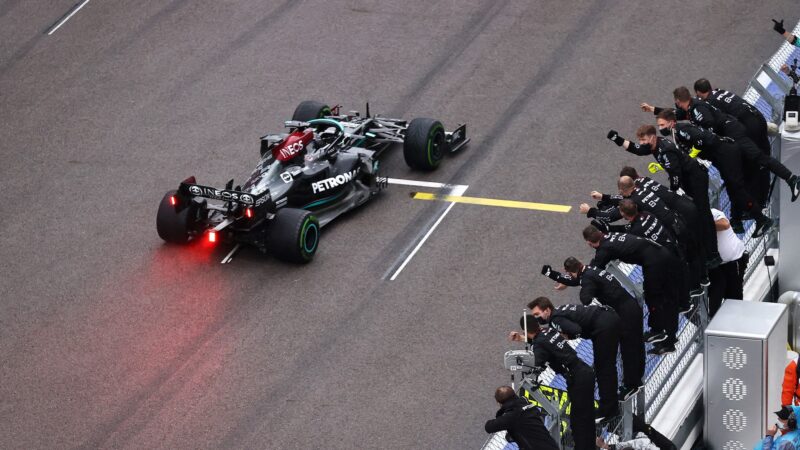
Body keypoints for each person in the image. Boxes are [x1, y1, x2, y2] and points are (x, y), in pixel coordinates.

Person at [645, 89, 800, 203]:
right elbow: (672, 114)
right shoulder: (692, 107)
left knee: (759, 158)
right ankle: (751, 207)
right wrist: (653, 109)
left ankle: (792, 179)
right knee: (745, 169)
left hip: (734, 133)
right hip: (732, 134)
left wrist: (713, 141)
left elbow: (709, 126)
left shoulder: (697, 109)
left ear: (678, 101)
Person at [607, 125, 720, 267]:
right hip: (687, 187)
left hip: (693, 182)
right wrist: (618, 139)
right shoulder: (654, 146)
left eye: (643, 139)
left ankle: (713, 256)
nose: (641, 143)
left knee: (703, 220)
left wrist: (674, 190)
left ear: (652, 137)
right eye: (640, 140)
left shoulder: (665, 150)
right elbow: (638, 149)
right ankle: (708, 257)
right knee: (697, 228)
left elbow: (675, 175)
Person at [656, 109, 775, 237]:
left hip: (726, 154)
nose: (660, 128)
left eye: (662, 125)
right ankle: (737, 221)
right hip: (721, 156)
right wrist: (662, 165)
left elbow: (700, 138)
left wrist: (695, 151)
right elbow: (680, 156)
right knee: (732, 188)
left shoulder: (681, 129)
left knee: (737, 189)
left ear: (671, 122)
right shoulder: (677, 133)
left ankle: (761, 219)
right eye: (659, 126)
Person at [542, 257, 645, 398]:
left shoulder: (587, 279)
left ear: (571, 271)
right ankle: (637, 380)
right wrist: (551, 274)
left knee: (629, 350)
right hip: (629, 307)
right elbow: (575, 280)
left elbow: (586, 299)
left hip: (624, 314)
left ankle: (631, 385)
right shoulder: (590, 270)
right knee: (636, 346)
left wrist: (583, 286)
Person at [582, 225, 679, 355]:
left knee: (655, 299)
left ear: (589, 242)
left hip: (656, 263)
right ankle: (667, 336)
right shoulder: (610, 235)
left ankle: (660, 332)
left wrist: (578, 274)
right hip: (662, 255)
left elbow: (594, 269)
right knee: (664, 299)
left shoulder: (604, 249)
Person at [509, 316, 596, 450]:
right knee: (584, 417)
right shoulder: (548, 330)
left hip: (577, 380)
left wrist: (522, 361)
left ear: (525, 330)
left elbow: (535, 363)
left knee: (579, 422)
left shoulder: (539, 345)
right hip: (584, 372)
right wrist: (522, 338)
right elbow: (544, 343)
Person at [527, 296, 621, 420]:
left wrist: (568, 336)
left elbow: (576, 330)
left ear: (547, 310)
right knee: (604, 367)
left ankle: (609, 409)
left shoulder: (555, 319)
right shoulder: (558, 312)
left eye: (537, 314)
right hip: (606, 318)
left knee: (604, 369)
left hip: (603, 326)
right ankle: (610, 406)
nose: (536, 318)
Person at [694, 78, 773, 206]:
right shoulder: (720, 92)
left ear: (698, 92)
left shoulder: (710, 102)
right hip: (758, 118)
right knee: (764, 159)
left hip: (750, 127)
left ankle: (759, 202)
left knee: (752, 164)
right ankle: (764, 197)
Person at [484, 386, 559, 450]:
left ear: (499, 403)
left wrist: (502, 413)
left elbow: (489, 427)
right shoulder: (529, 406)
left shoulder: (511, 416)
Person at [707, 208, 748, 316]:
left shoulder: (712, 212)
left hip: (733, 261)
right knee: (715, 298)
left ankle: (735, 326)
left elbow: (725, 224)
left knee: (733, 299)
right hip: (714, 266)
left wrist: (704, 225)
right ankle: (713, 323)